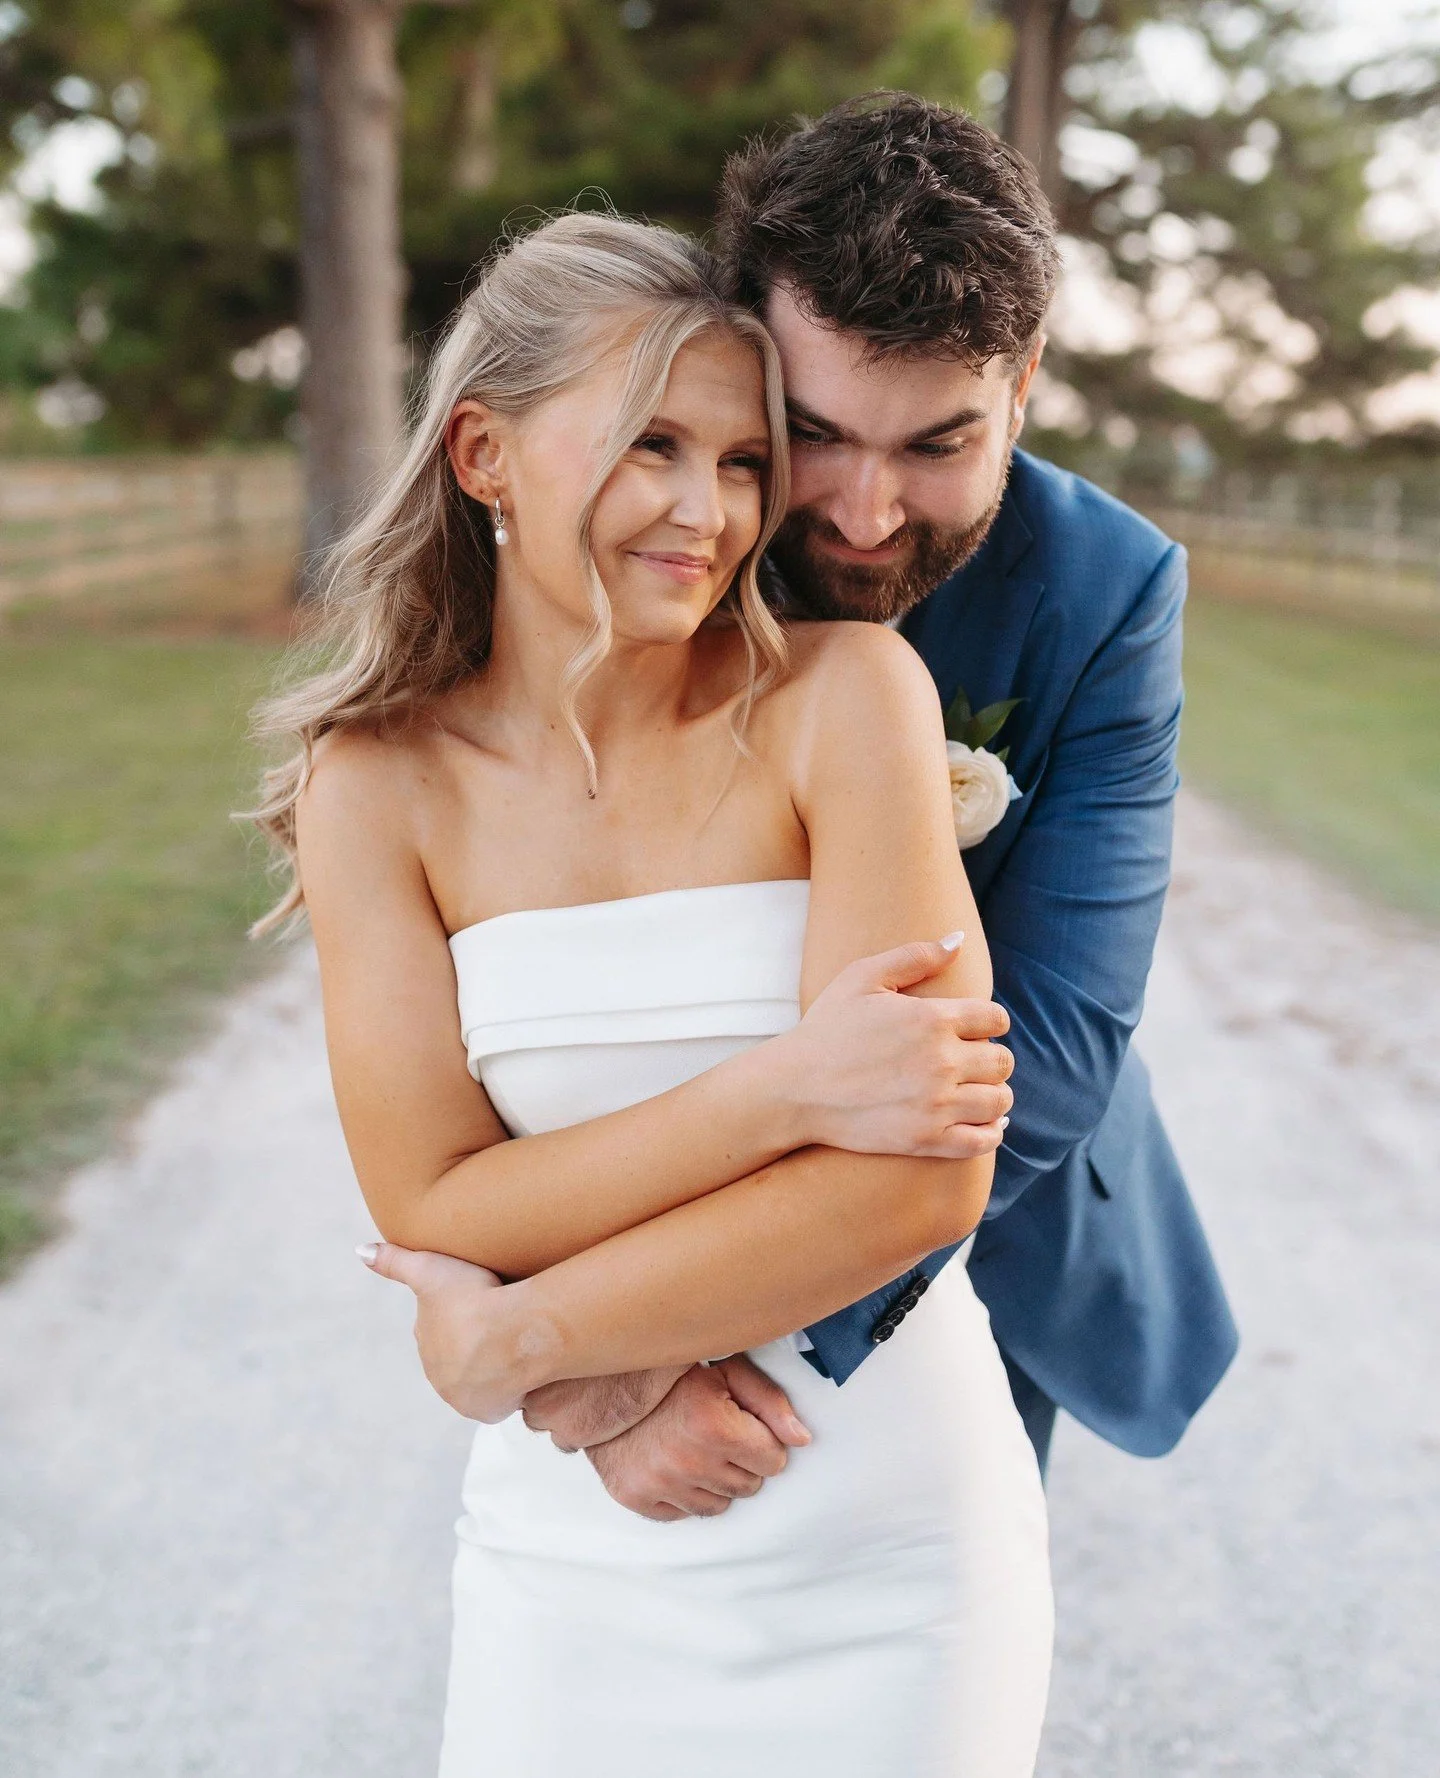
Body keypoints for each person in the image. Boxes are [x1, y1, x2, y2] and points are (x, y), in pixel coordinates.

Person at [256, 211, 1053, 1775]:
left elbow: (928, 1168)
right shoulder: (378, 786)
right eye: (653, 447)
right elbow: (437, 1195)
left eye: (746, 462)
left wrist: (531, 1340)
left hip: (891, 1543)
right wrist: (785, 1091)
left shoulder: (845, 697)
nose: (710, 510)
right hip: (571, 1555)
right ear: (485, 453)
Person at [371, 96, 1238, 1503]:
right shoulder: (657, 530)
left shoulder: (1106, 591)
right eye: (817, 433)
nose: (864, 511)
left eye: (940, 445)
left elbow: (1053, 1053)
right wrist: (607, 1341)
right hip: (626, 1230)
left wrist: (637, 1346)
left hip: (955, 1259)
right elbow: (507, 974)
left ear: (1024, 382)